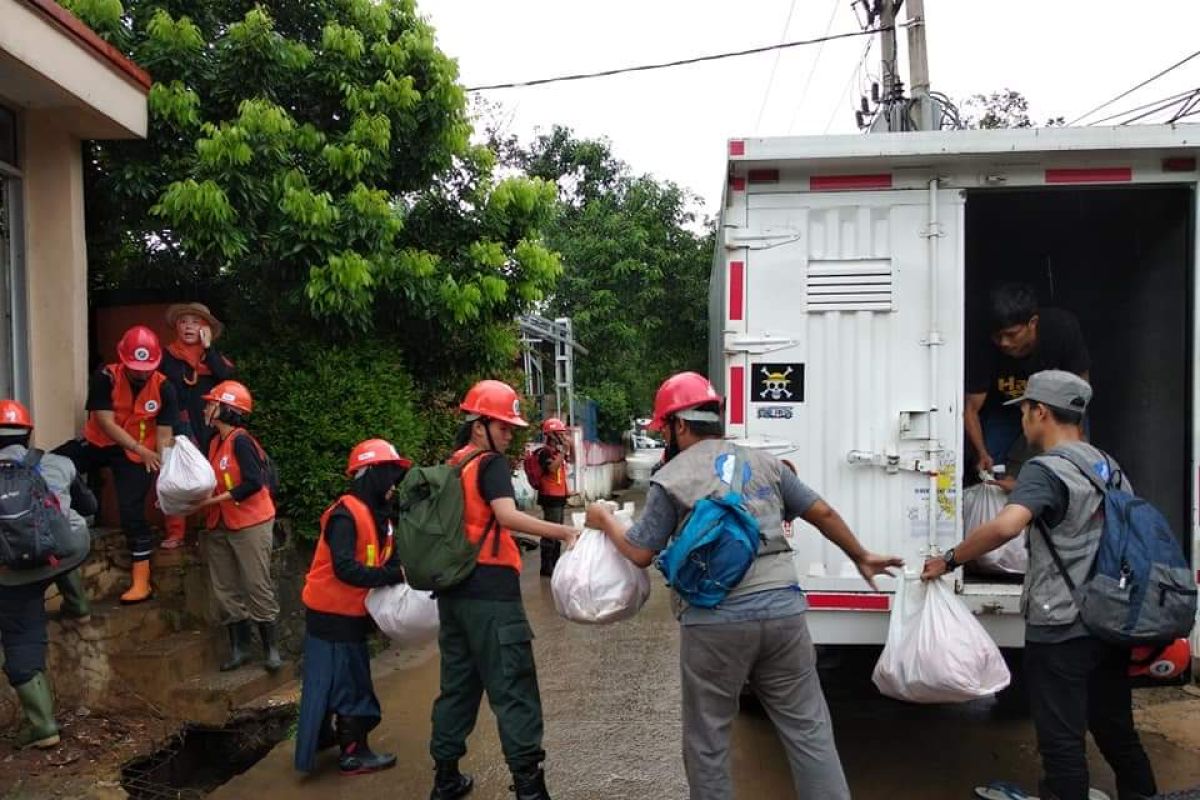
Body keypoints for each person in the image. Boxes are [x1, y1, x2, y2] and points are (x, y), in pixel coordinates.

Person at [585, 372, 902, 800]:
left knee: (708, 740)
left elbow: (640, 552)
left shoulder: (673, 477)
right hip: (783, 613)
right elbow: (822, 512)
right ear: (717, 415)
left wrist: (603, 519)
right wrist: (861, 555)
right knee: (809, 730)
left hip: (713, 623)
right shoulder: (767, 463)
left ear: (679, 425)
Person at [923, 371, 1157, 800]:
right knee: (1117, 731)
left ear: (1041, 412)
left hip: (1061, 623)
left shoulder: (1044, 469)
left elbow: (1006, 527)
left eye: (1026, 412)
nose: (1023, 422)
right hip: (1110, 618)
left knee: (1061, 741)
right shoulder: (1108, 464)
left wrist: (950, 558)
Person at [428, 380, 579, 800]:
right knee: (513, 687)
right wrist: (565, 532)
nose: (510, 435)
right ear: (479, 425)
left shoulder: (453, 465)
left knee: (458, 685)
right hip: (492, 597)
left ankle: (445, 778)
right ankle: (530, 789)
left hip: (454, 595)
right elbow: (506, 515)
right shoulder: (489, 464)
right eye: (504, 426)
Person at [295, 439, 412, 776]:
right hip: (332, 616)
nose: (393, 484)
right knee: (349, 684)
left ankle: (327, 738)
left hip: (348, 615)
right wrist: (393, 575)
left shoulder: (380, 516)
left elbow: (387, 558)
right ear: (371, 474)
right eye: (389, 474)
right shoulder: (346, 514)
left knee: (335, 680)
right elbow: (344, 568)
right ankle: (353, 753)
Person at [0, 399, 96, 749]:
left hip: (12, 575)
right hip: (66, 554)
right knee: (63, 543)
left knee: (21, 637)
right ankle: (79, 605)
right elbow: (91, 508)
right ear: (28, 434)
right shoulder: (57, 462)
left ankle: (43, 726)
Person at [58, 325, 177, 605]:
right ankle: (63, 521)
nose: (140, 372)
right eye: (135, 367)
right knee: (56, 463)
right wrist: (136, 447)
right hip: (102, 443)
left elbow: (164, 433)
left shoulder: (164, 386)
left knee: (131, 512)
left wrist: (164, 470)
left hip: (139, 455)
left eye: (146, 367)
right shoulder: (106, 376)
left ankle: (141, 581)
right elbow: (104, 420)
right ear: (123, 360)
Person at [192, 381, 281, 673]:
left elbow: (253, 483)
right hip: (220, 522)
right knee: (225, 588)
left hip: (249, 522)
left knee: (256, 584)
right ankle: (239, 649)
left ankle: (271, 650)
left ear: (225, 409)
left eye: (211, 403)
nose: (206, 407)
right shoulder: (214, 440)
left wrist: (214, 499)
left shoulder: (241, 440)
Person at [965, 283, 1090, 479]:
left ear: (1033, 323)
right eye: (997, 336)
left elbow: (1079, 390)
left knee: (1072, 463)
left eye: (1012, 334)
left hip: (1055, 405)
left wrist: (1078, 433)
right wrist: (981, 453)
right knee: (990, 465)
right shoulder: (982, 344)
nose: (1004, 342)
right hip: (1003, 407)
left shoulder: (1061, 329)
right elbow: (971, 408)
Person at [158, 303, 235, 550]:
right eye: (183, 321)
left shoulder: (215, 358)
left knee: (212, 477)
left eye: (195, 321)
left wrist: (208, 349)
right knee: (175, 476)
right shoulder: (165, 356)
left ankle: (210, 528)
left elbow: (228, 381)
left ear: (206, 329)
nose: (189, 326)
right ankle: (176, 533)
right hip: (176, 424)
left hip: (209, 426)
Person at [529, 417, 571, 576]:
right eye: (559, 433)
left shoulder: (556, 452)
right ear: (551, 434)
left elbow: (565, 465)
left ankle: (555, 564)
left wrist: (565, 450)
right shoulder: (544, 452)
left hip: (559, 497)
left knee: (558, 532)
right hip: (550, 497)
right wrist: (563, 451)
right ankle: (547, 567)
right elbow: (552, 469)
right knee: (551, 533)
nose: (562, 436)